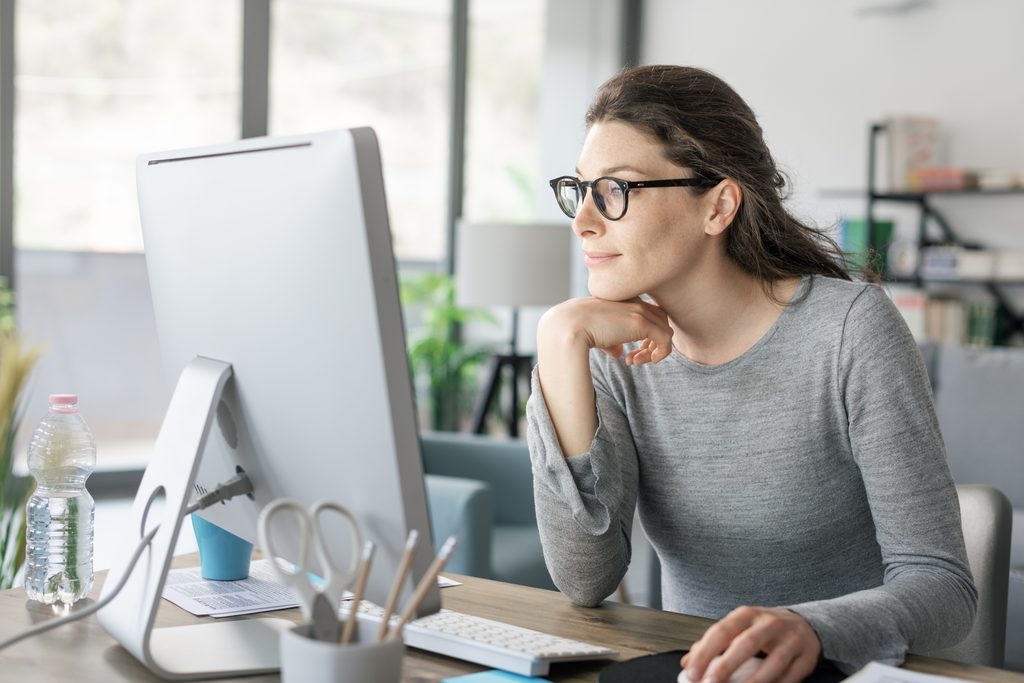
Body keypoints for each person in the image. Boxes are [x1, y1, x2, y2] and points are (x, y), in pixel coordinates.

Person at [526, 64, 977, 683]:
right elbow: (585, 579)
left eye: (616, 190)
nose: (583, 220)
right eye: (580, 190)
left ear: (718, 205)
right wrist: (558, 343)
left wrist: (810, 628)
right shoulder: (614, 353)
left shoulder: (849, 330)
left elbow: (943, 587)